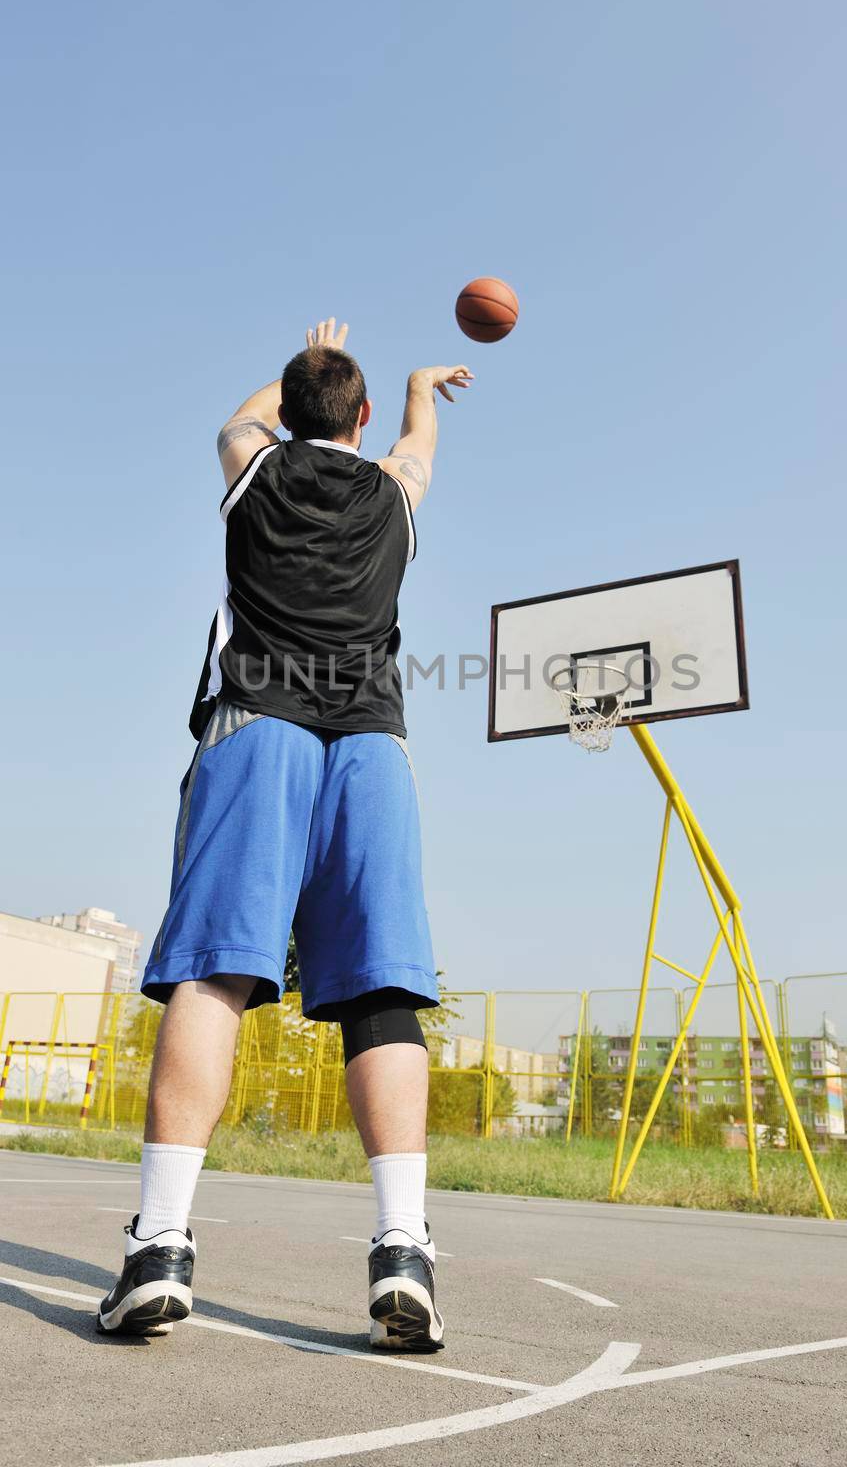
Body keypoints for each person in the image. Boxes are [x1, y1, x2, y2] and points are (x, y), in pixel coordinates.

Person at [98, 318, 473, 1351]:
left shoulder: (250, 471)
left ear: (291, 412)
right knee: (383, 995)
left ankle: (161, 1245)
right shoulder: (394, 490)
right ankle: (404, 1248)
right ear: (357, 418)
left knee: (216, 975)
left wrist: (300, 365)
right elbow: (418, 447)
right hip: (371, 746)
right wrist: (412, 390)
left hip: (259, 730)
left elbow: (238, 419)